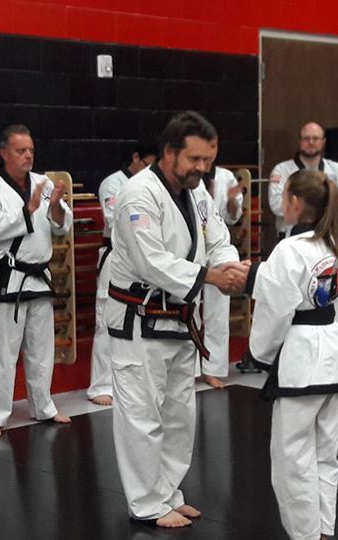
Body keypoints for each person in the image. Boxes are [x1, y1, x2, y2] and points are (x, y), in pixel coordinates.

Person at [105, 111, 248, 527]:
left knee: (179, 417)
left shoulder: (196, 191)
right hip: (139, 318)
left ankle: (168, 493)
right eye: (195, 159)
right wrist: (211, 277)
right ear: (169, 152)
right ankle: (146, 503)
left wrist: (230, 267)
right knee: (142, 415)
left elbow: (218, 238)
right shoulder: (138, 194)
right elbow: (151, 262)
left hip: (180, 318)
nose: (203, 168)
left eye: (209, 160)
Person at [245, 169, 338, 540]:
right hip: (332, 352)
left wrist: (261, 354)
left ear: (294, 201)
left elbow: (276, 309)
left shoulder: (289, 249)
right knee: (325, 453)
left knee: (292, 456)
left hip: (301, 358)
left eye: (284, 196)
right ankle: (323, 530)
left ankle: (305, 535)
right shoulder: (334, 246)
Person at [0, 125, 73, 437]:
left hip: (39, 275)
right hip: (9, 275)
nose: (28, 155)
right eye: (21, 150)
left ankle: (43, 406)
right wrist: (28, 209)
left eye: (30, 150)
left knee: (42, 348)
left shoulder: (43, 183)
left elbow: (61, 225)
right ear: (4, 152)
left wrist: (54, 206)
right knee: (3, 350)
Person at [87, 143, 158, 406]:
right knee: (106, 319)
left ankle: (132, 382)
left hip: (143, 257)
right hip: (116, 255)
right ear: (135, 157)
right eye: (147, 163)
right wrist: (146, 223)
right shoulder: (113, 183)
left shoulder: (153, 184)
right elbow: (113, 219)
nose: (150, 169)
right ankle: (101, 385)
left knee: (139, 320)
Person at [268, 121, 338, 239]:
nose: (311, 142)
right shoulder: (282, 170)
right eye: (306, 138)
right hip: (291, 237)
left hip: (327, 237)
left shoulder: (335, 169)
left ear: (323, 142)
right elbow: (276, 204)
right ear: (300, 141)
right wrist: (328, 202)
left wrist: (302, 203)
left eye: (315, 138)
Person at [196, 163, 244, 388]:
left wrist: (230, 266)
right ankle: (189, 369)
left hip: (215, 244)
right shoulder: (170, 182)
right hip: (185, 249)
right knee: (186, 309)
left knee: (217, 312)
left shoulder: (224, 177)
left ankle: (213, 368)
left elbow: (231, 219)